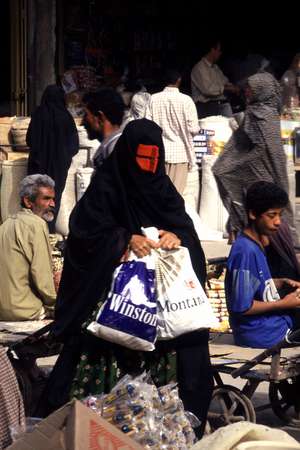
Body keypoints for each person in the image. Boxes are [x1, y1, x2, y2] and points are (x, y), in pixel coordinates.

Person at [43, 119, 212, 438]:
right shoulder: (106, 189)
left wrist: (175, 236)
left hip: (166, 323)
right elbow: (83, 238)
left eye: (154, 160)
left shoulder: (164, 192)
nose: (148, 169)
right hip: (112, 317)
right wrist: (122, 240)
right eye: (141, 159)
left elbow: (189, 236)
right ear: (126, 155)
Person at [212, 72, 296, 242]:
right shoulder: (254, 112)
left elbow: (271, 152)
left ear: (262, 90)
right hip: (252, 172)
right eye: (247, 88)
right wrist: (230, 164)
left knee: (266, 215)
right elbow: (239, 144)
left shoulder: (265, 116)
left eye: (251, 89)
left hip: (263, 174)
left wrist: (238, 163)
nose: (247, 92)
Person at [226, 181, 300, 349]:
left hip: (273, 326)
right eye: (271, 215)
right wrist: (283, 304)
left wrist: (280, 282)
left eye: (280, 215)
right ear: (253, 214)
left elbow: (250, 285)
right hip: (262, 333)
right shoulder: (245, 251)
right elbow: (242, 307)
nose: (278, 222)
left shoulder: (256, 245)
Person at [0, 174, 56, 321]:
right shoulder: (37, 224)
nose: (52, 204)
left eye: (52, 199)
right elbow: (42, 275)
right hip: (24, 310)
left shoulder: (5, 225)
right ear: (28, 201)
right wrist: (55, 304)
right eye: (46, 199)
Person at [26, 85, 79, 233]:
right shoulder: (66, 117)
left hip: (37, 167)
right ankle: (47, 231)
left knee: (34, 196)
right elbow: (74, 146)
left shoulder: (38, 114)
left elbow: (30, 139)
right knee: (52, 199)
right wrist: (63, 157)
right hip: (58, 170)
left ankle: (32, 231)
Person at [146, 68, 199, 195]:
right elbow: (194, 129)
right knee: (175, 196)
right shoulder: (186, 100)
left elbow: (147, 126)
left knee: (157, 195)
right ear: (179, 80)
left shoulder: (153, 99)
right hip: (180, 155)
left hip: (159, 154)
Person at [191, 39, 238, 118]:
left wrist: (234, 87)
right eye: (219, 50)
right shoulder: (199, 68)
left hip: (219, 105)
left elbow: (225, 81)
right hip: (206, 107)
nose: (220, 53)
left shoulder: (215, 67)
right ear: (213, 50)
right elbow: (208, 90)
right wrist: (227, 88)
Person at [82, 88, 125, 168]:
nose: (82, 123)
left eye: (86, 115)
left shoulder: (114, 152)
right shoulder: (110, 148)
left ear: (100, 118)